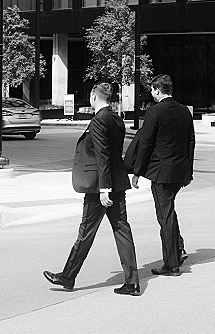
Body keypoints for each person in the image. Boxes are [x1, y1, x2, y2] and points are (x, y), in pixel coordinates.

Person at [43, 82, 140, 296]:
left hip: (100, 186)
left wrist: (104, 188)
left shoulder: (98, 121)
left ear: (94, 97)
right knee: (122, 230)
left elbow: (102, 155)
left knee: (86, 232)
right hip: (117, 182)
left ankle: (68, 276)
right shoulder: (116, 118)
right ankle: (132, 281)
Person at [132, 74, 195, 276]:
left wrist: (137, 171)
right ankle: (178, 248)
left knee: (164, 216)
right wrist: (188, 171)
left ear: (158, 90)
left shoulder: (154, 112)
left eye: (152, 90)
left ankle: (171, 264)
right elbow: (190, 142)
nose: (151, 93)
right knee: (169, 211)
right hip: (179, 171)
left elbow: (146, 143)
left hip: (162, 173)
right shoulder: (185, 111)